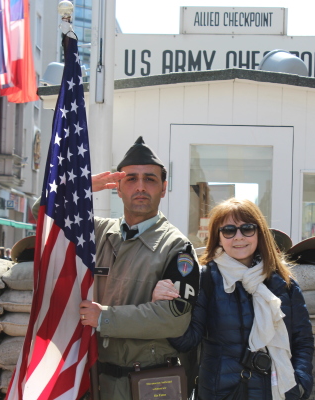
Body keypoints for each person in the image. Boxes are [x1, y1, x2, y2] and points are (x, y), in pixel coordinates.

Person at [154, 198, 314, 399]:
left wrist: (300, 383)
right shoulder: (205, 279)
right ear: (218, 237)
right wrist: (165, 306)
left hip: (278, 391)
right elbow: (187, 341)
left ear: (259, 233)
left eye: (247, 228)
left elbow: (302, 340)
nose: (239, 237)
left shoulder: (282, 283)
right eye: (229, 230)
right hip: (221, 392)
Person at [79, 136, 200, 400]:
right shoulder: (97, 233)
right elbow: (43, 215)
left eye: (150, 179)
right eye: (131, 179)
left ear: (164, 188)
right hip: (98, 384)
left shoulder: (177, 247)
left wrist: (104, 317)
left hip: (151, 384)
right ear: (118, 188)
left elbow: (174, 319)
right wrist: (81, 188)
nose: (141, 187)